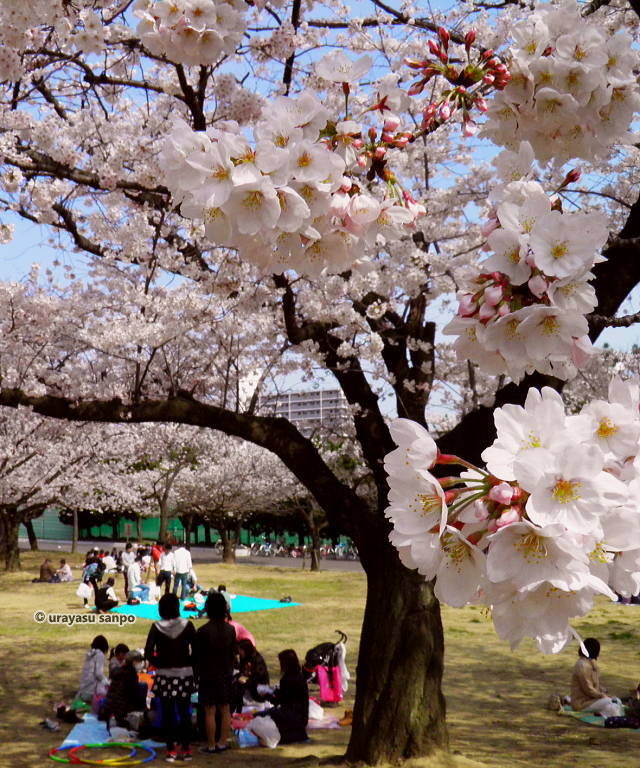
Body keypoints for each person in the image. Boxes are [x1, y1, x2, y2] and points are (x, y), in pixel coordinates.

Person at [144, 593, 197, 763]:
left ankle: (171, 750)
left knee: (168, 713)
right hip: (184, 675)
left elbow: (148, 651)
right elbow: (197, 650)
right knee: (185, 712)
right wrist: (188, 662)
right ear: (177, 606)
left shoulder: (156, 627)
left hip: (165, 676)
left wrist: (160, 662)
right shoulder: (188, 625)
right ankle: (187, 749)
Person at [195, 591, 236, 754]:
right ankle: (222, 742)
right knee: (225, 709)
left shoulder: (203, 631)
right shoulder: (230, 630)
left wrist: (196, 675)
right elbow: (233, 653)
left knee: (209, 710)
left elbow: (197, 656)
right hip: (225, 673)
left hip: (208, 674)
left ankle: (211, 744)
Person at [260, 649, 309, 744]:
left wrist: (266, 696)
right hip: (302, 715)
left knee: (264, 714)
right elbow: (289, 695)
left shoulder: (287, 679)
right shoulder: (300, 676)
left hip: (291, 716)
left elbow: (280, 700)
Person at [569, 637, 623, 718]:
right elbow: (588, 689)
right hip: (581, 703)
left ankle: (607, 715)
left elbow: (593, 684)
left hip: (591, 700)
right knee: (611, 703)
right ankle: (612, 717)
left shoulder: (589, 663)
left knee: (617, 701)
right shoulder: (582, 665)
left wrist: (602, 690)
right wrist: (601, 695)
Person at [101, 650, 147, 728]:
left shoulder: (118, 670)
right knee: (143, 686)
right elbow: (133, 695)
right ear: (134, 662)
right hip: (121, 710)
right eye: (139, 661)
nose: (140, 664)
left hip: (109, 708)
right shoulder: (131, 674)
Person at [231, 638, 270, 712]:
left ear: (246, 650)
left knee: (238, 688)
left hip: (257, 687)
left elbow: (258, 677)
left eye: (240, 650)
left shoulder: (257, 660)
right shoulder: (244, 658)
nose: (239, 652)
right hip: (249, 682)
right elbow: (242, 672)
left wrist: (245, 679)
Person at [76, 635, 109, 704]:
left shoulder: (90, 654)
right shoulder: (100, 655)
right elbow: (99, 674)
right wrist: (107, 682)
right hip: (91, 691)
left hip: (83, 689)